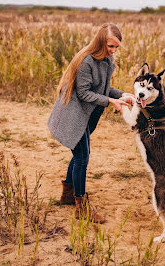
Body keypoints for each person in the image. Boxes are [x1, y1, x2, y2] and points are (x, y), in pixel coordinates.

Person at [48, 23, 133, 223]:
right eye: (110, 46)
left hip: (85, 115)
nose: (113, 51)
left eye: (116, 47)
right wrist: (111, 101)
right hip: (72, 114)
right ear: (100, 42)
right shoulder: (86, 61)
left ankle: (68, 194)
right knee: (82, 157)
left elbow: (103, 88)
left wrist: (123, 94)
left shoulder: (107, 60)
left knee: (79, 155)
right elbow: (84, 93)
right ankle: (81, 207)